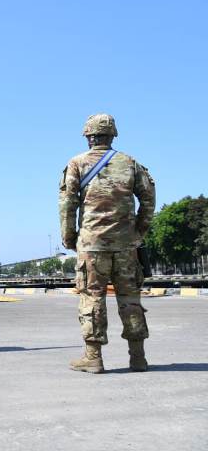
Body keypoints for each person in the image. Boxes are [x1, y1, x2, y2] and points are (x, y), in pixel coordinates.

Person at [59, 113, 155, 374]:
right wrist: (138, 233)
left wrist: (69, 237)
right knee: (130, 299)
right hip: (126, 245)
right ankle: (138, 357)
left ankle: (93, 357)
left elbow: (68, 204)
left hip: (92, 244)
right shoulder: (130, 163)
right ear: (113, 135)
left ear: (89, 137)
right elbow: (148, 199)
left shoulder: (77, 163)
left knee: (92, 298)